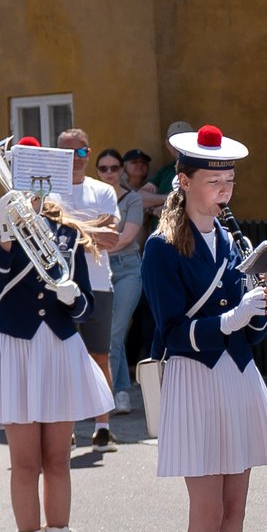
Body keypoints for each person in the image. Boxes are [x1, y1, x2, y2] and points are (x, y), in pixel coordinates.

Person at [143, 125, 267, 532]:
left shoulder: (235, 242)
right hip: (195, 379)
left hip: (237, 377)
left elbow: (243, 335)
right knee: (206, 511)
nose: (224, 188)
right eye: (213, 180)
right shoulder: (161, 247)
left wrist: (257, 316)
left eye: (229, 179)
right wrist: (229, 318)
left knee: (236, 509)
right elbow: (168, 330)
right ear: (184, 181)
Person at [0, 141, 114, 532]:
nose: (27, 188)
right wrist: (7, 236)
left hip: (58, 349)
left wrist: (74, 296)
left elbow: (86, 305)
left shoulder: (67, 233)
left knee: (58, 460)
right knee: (24, 462)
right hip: (16, 350)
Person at [97, 147, 150, 417]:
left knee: (114, 333)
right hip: (98, 270)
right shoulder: (93, 198)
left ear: (122, 171)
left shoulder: (132, 199)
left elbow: (127, 237)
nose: (109, 173)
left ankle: (112, 395)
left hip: (128, 269)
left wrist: (95, 243)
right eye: (103, 168)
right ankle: (117, 392)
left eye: (114, 168)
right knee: (106, 334)